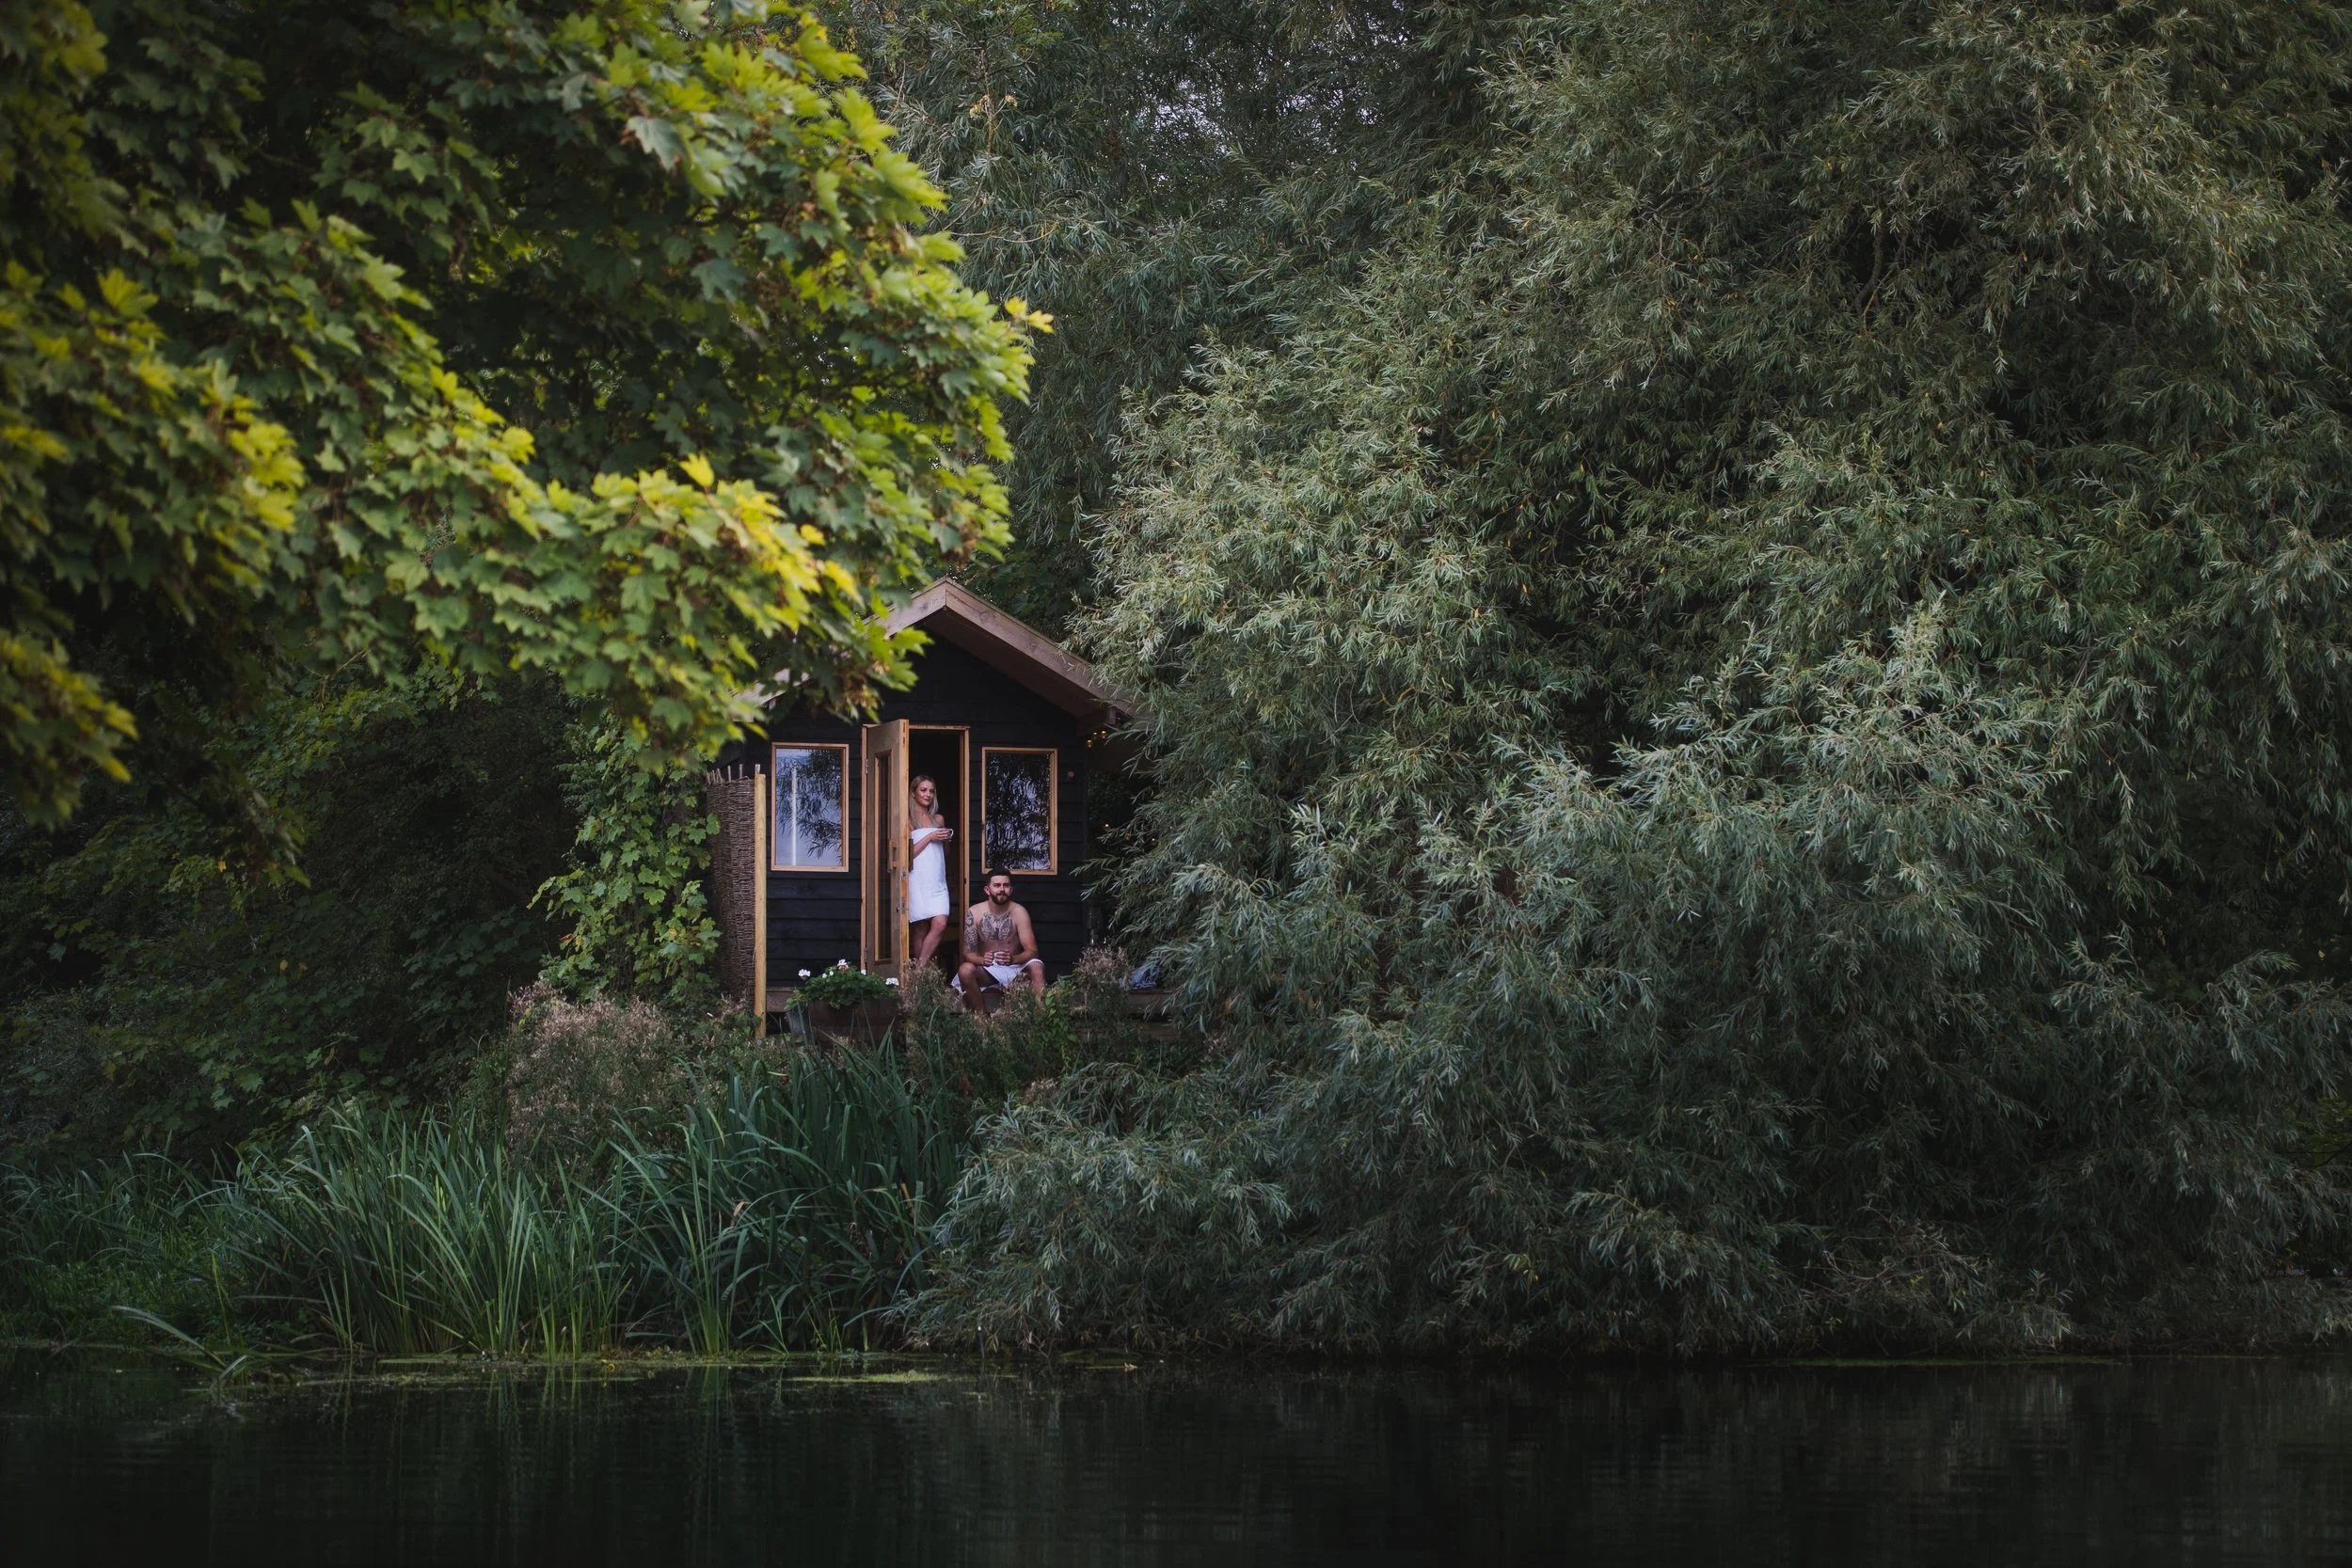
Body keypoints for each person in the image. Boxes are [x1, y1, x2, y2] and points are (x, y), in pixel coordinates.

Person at [956, 867, 1043, 1011]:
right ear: (987, 889)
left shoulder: (1019, 912)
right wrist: (982, 960)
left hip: (1014, 968)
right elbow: (967, 953)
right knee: (965, 970)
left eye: (1006, 885)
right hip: (987, 969)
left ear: (1011, 889)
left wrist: (1013, 959)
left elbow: (1032, 951)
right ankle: (981, 1019)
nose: (1002, 889)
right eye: (997, 885)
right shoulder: (974, 912)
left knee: (1037, 966)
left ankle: (1040, 1018)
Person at [907, 774, 953, 968]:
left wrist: (945, 840)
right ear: (913, 793)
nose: (928, 794)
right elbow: (908, 856)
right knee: (920, 928)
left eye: (931, 791)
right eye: (923, 790)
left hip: (937, 880)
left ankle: (918, 972)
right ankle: (922, 980)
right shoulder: (908, 820)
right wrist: (930, 836)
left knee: (940, 923)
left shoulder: (938, 818)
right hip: (917, 878)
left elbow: (946, 853)